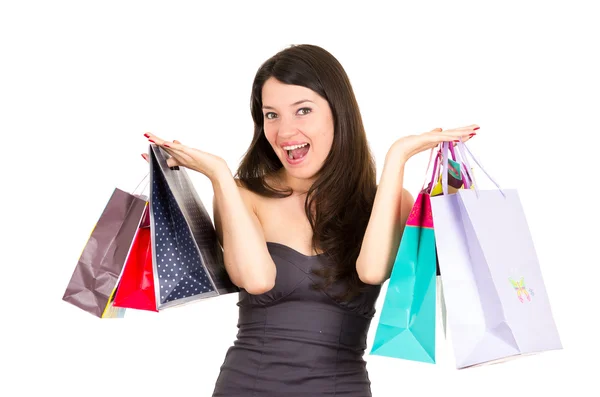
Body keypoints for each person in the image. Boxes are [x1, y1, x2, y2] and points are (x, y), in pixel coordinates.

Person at [142, 44, 477, 396]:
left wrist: (398, 157)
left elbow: (372, 271)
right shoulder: (242, 196)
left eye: (302, 110)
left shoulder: (385, 202)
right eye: (271, 115)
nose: (285, 132)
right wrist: (220, 176)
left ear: (338, 113)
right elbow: (255, 280)